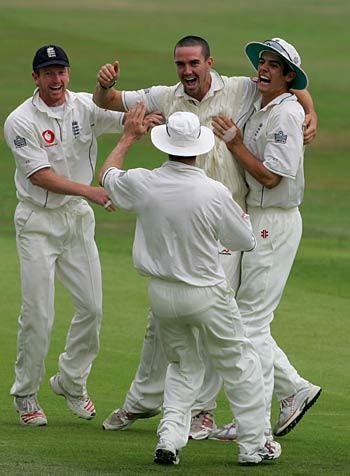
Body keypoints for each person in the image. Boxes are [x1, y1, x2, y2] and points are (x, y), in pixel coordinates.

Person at [93, 35, 319, 438]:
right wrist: (105, 85)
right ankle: (282, 392)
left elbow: (291, 83)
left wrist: (309, 107)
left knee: (230, 321)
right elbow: (109, 103)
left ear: (209, 62)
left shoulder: (240, 89)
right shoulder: (166, 95)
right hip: (197, 220)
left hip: (235, 220)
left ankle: (210, 413)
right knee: (186, 318)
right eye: (180, 64)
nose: (187, 71)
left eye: (194, 63)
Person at [99, 104, 281, 465]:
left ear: (166, 145)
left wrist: (126, 138)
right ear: (200, 148)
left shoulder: (144, 182)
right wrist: (242, 220)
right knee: (239, 363)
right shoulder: (214, 192)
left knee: (183, 365)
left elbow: (107, 175)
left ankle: (168, 440)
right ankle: (252, 446)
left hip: (162, 295)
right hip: (205, 293)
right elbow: (245, 240)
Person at [3, 44, 126, 426]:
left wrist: (149, 120)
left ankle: (71, 381)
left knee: (92, 308)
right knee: (39, 313)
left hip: (75, 220)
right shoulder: (19, 120)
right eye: (48, 73)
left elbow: (128, 120)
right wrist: (90, 191)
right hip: (38, 221)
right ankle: (25, 394)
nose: (56, 79)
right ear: (36, 78)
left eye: (62, 71)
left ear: (68, 74)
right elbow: (40, 176)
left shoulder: (85, 107)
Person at [211, 37, 321, 439]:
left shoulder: (285, 116)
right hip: (254, 218)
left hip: (273, 221)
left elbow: (273, 176)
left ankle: (257, 417)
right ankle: (292, 390)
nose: (264, 68)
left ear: (288, 76)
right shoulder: (261, 103)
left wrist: (235, 144)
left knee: (250, 321)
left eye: (274, 65)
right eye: (263, 61)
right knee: (245, 319)